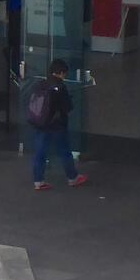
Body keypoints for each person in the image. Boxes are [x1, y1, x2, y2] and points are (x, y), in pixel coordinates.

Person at [29, 59, 88, 190]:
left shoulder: (41, 84)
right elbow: (67, 107)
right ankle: (72, 178)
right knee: (65, 152)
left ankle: (38, 181)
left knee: (40, 153)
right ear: (61, 73)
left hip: (41, 124)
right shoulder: (60, 87)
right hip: (57, 126)